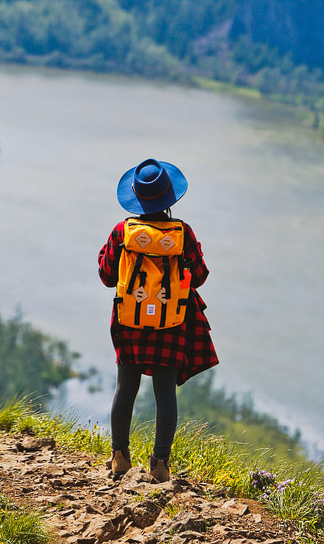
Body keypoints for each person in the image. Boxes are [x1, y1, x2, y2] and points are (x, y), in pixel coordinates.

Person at [98, 157, 218, 483]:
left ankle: (119, 458)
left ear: (136, 196)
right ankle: (160, 464)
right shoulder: (183, 234)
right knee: (165, 394)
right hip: (170, 323)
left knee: (126, 388)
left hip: (128, 321)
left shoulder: (122, 232)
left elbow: (107, 276)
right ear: (169, 198)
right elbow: (201, 276)